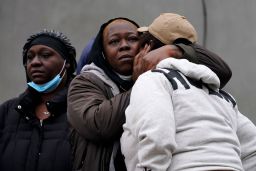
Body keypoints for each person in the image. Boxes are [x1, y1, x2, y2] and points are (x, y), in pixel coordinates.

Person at [67, 16, 232, 171]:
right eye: (114, 41)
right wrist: (141, 83)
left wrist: (175, 50)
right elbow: (98, 125)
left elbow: (222, 72)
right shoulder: (85, 82)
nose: (124, 45)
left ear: (146, 45)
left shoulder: (161, 73)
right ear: (102, 52)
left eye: (132, 39)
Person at [121, 13, 256, 171]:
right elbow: (252, 149)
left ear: (147, 47)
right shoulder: (222, 95)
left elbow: (157, 137)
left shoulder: (153, 80)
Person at [0, 29, 77, 171]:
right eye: (29, 57)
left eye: (45, 55)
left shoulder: (80, 109)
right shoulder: (7, 111)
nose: (34, 62)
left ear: (66, 62)